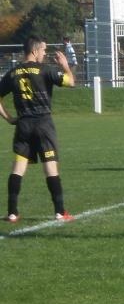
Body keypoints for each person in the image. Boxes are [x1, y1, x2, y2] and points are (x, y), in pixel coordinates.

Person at [0, 36, 75, 223]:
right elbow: (70, 82)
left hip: (23, 125)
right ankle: (60, 212)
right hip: (43, 124)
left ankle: (12, 212)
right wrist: (65, 66)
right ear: (34, 51)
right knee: (50, 166)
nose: (45, 53)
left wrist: (8, 118)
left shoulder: (13, 73)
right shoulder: (45, 70)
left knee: (18, 168)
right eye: (43, 50)